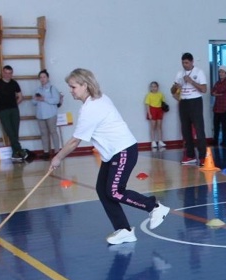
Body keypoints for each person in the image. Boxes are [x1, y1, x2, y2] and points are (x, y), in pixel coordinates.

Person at [51, 68, 169, 245]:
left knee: (114, 191)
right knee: (103, 190)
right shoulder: (97, 100)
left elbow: (75, 142)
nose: (70, 90)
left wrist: (57, 157)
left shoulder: (92, 108)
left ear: (85, 85)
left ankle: (155, 207)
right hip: (113, 153)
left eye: (73, 86)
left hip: (123, 151)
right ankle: (124, 230)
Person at [171, 52, 208, 165]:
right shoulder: (179, 73)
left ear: (192, 62)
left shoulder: (199, 72)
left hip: (195, 101)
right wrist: (175, 87)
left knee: (199, 129)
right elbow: (172, 91)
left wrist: (191, 81)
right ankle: (190, 155)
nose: (184, 65)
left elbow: (204, 89)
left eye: (186, 62)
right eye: (183, 62)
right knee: (186, 130)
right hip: (184, 102)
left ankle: (202, 156)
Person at [0, 65, 30, 160]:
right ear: (3, 73)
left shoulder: (14, 83)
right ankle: (20, 150)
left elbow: (20, 96)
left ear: (12, 74)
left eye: (10, 73)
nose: (8, 75)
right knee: (9, 131)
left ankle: (15, 153)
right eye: (6, 73)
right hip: (3, 111)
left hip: (14, 110)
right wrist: (1, 106)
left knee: (15, 131)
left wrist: (13, 104)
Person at [32, 69, 61, 159]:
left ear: (48, 78)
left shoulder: (53, 88)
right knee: (43, 133)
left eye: (44, 77)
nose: (42, 79)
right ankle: (46, 152)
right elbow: (33, 102)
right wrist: (36, 99)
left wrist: (44, 99)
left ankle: (57, 151)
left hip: (50, 114)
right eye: (40, 77)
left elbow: (56, 100)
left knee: (53, 132)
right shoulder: (37, 89)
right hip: (40, 115)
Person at [211, 65, 226, 147]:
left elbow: (220, 90)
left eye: (223, 72)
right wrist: (218, 94)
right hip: (217, 107)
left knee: (224, 125)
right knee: (216, 125)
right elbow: (212, 92)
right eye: (220, 72)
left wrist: (217, 93)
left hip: (225, 107)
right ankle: (215, 140)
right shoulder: (217, 82)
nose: (221, 74)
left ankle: (224, 141)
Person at [144, 81, 166, 149]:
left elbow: (163, 103)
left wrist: (164, 109)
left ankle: (160, 141)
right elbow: (147, 105)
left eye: (155, 86)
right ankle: (153, 141)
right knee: (153, 126)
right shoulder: (149, 95)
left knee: (159, 126)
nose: (154, 88)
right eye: (152, 87)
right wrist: (149, 113)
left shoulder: (161, 94)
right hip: (152, 110)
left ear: (157, 87)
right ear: (150, 88)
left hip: (159, 110)